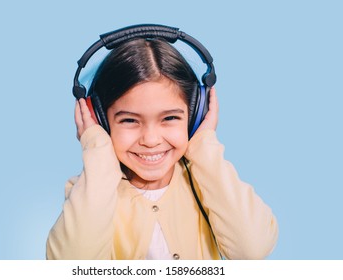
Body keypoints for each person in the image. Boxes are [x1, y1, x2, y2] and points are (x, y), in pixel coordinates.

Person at [46, 36, 278, 260]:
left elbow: (252, 249)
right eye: (129, 120)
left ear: (195, 115)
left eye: (169, 118)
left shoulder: (210, 184)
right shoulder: (90, 190)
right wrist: (97, 148)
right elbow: (72, 264)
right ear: (101, 120)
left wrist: (203, 143)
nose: (150, 139)